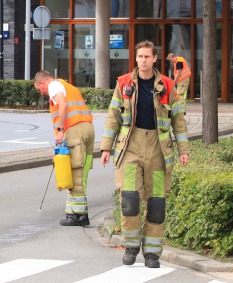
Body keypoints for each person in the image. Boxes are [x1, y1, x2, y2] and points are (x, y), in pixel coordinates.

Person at [101, 41, 189, 269]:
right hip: (131, 146)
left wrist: (183, 150)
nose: (142, 60)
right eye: (139, 56)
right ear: (136, 58)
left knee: (157, 203)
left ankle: (152, 253)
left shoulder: (168, 86)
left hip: (159, 150)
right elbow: (113, 118)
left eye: (147, 57)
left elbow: (178, 122)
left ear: (154, 59)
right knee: (130, 200)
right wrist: (105, 148)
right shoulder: (123, 84)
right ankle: (130, 248)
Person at [33, 71, 95, 226]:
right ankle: (79, 212)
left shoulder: (54, 85)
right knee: (82, 172)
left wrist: (60, 130)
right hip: (87, 128)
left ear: (42, 83)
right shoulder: (69, 86)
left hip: (73, 131)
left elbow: (63, 104)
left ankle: (77, 215)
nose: (43, 93)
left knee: (73, 172)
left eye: (41, 91)